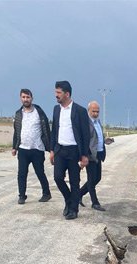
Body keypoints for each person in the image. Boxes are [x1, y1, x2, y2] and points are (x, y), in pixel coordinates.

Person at [50, 80, 90, 220]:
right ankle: (69, 200)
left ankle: (74, 210)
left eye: (58, 93)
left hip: (74, 151)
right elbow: (54, 130)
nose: (56, 95)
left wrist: (85, 155)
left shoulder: (80, 111)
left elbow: (86, 135)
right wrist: (52, 150)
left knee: (74, 181)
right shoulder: (56, 109)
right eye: (56, 92)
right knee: (57, 177)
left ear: (67, 94)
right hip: (60, 150)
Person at [11, 88, 52, 205]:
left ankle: (46, 193)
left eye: (27, 97)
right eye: (23, 97)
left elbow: (46, 130)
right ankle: (22, 196)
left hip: (37, 149)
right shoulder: (18, 114)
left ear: (32, 98)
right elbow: (16, 131)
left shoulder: (39, 112)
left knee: (40, 172)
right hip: (23, 149)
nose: (25, 99)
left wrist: (50, 148)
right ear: (20, 98)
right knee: (22, 174)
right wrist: (14, 147)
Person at [78, 100, 111, 212]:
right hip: (90, 155)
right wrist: (84, 155)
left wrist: (105, 141)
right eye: (93, 111)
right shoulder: (86, 123)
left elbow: (97, 138)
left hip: (99, 154)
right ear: (88, 111)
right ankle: (95, 203)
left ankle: (79, 194)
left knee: (98, 178)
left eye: (97, 111)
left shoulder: (98, 122)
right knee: (92, 180)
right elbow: (84, 140)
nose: (96, 113)